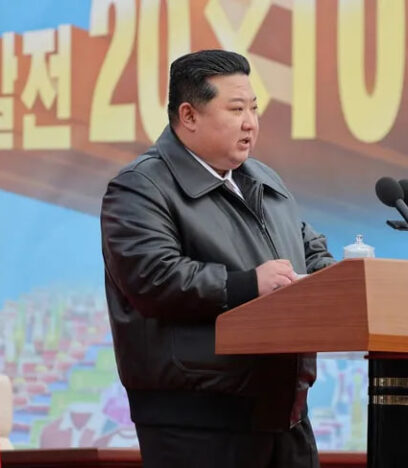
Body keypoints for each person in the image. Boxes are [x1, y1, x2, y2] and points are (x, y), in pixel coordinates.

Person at [100, 49, 335, 468]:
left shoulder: (265, 180)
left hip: (283, 412)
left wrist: (342, 280)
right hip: (196, 420)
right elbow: (153, 277)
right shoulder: (141, 187)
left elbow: (309, 250)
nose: (250, 123)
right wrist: (248, 284)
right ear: (189, 115)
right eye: (236, 109)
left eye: (254, 109)